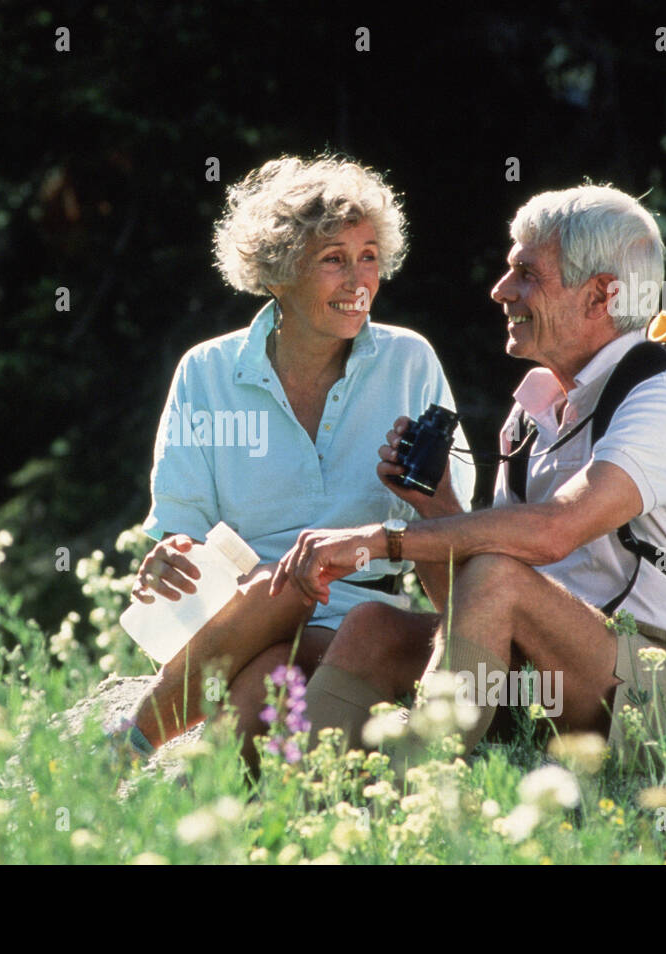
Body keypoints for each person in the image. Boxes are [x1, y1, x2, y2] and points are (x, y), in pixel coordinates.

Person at [270, 184, 666, 763]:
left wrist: (381, 540)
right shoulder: (533, 411)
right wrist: (434, 507)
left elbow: (551, 533)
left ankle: (418, 796)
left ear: (600, 296)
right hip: (547, 674)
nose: (500, 290)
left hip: (660, 689)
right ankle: (299, 804)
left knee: (498, 575)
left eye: (527, 274)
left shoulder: (657, 404)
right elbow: (472, 601)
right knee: (371, 626)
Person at [117, 155, 474, 766]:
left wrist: (424, 494)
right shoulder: (205, 372)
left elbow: (454, 525)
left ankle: (127, 749)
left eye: (369, 256)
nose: (358, 279)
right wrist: (167, 559)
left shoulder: (409, 360)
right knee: (272, 596)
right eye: (334, 258)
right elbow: (180, 528)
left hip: (365, 623)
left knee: (262, 677)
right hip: (237, 621)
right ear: (276, 271)